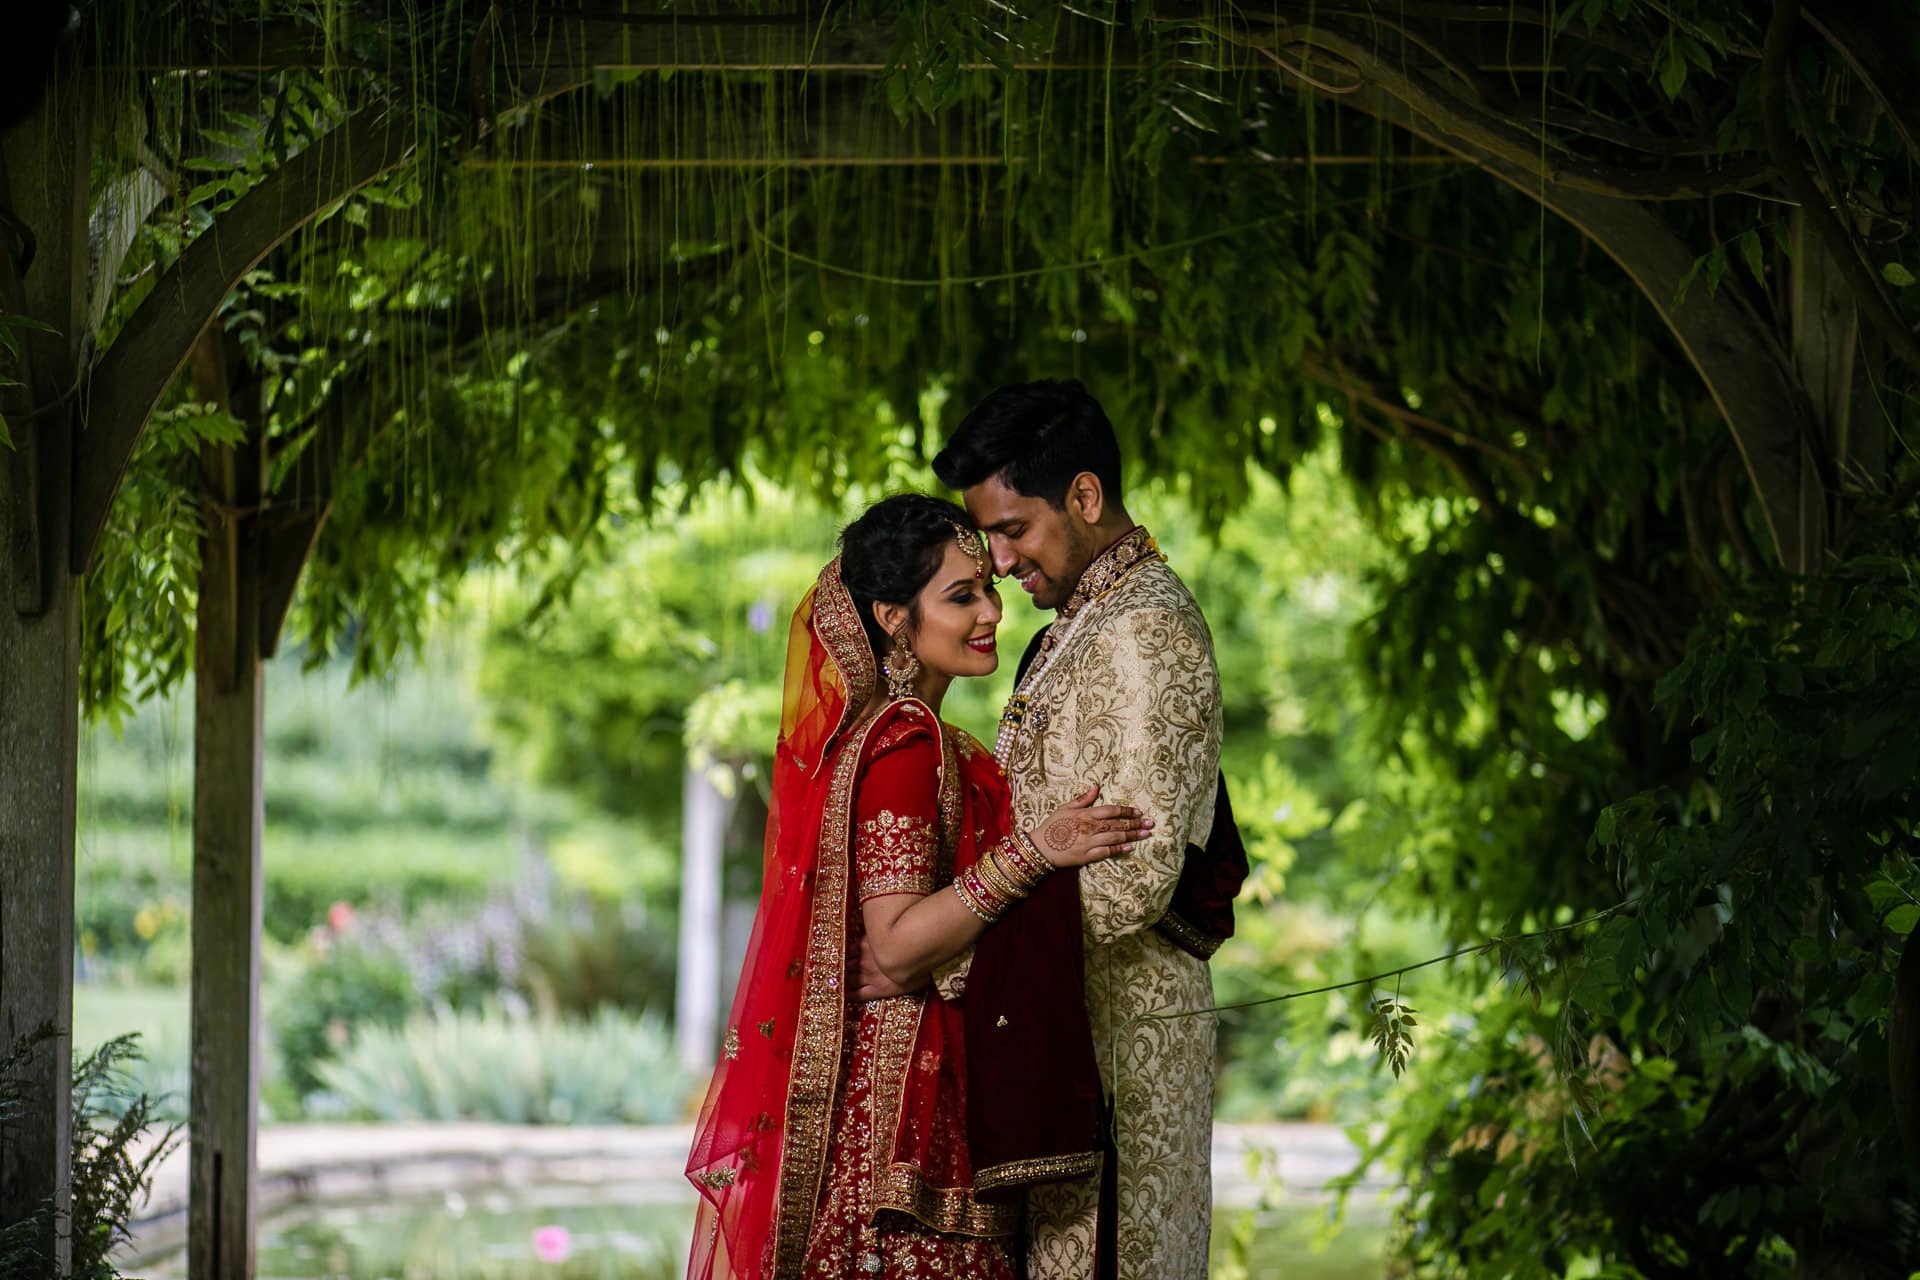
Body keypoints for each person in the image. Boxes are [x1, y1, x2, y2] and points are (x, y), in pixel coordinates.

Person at [685, 493, 1153, 1280]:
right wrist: (1039, 849)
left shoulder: (911, 737)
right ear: (894, 616)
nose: (991, 614)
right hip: (904, 1142)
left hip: (908, 1119)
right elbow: (898, 945)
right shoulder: (907, 743)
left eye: (988, 590)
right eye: (961, 597)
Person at [930, 379, 1237, 1280]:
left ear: (1086, 496)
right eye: (988, 536)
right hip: (1064, 1035)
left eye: (1014, 528)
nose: (998, 560)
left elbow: (1131, 879)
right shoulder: (1082, 621)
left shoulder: (1146, 630)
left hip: (1116, 1065)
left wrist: (944, 952)